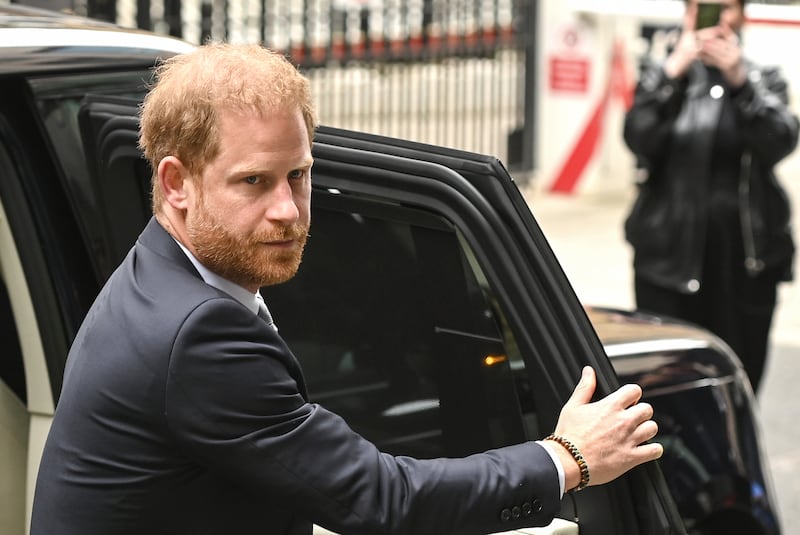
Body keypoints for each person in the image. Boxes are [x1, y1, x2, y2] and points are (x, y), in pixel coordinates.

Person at [31, 43, 662, 535]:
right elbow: (380, 501)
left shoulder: (159, 271)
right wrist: (568, 456)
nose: (288, 210)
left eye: (298, 174)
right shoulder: (198, 334)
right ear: (176, 184)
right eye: (253, 182)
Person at [623, 0, 798, 394]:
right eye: (701, 7)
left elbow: (780, 141)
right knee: (664, 382)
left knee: (740, 380)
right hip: (667, 259)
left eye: (725, 7)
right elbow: (638, 138)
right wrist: (671, 74)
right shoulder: (662, 74)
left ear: (741, 15)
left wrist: (740, 81)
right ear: (687, 15)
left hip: (745, 262)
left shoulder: (763, 77)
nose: (713, 17)